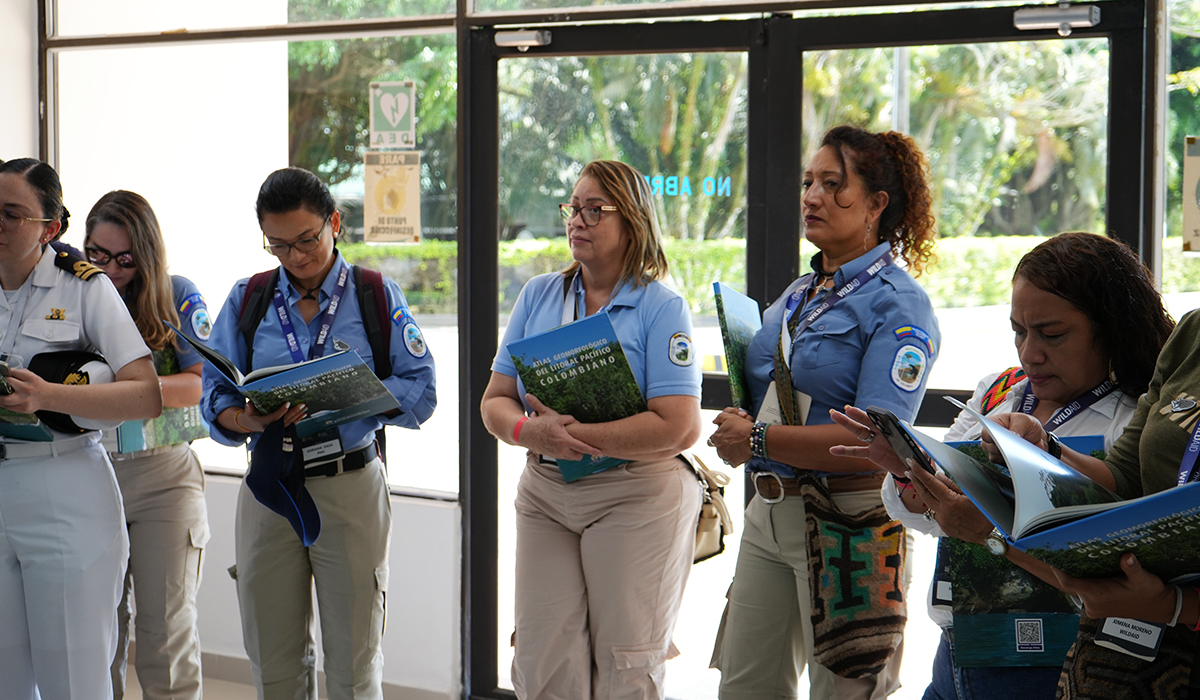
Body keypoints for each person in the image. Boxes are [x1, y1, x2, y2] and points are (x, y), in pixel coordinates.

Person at [842, 231, 1174, 700]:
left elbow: (1115, 568)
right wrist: (907, 471)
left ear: (1110, 327)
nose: (1029, 353)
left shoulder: (1134, 418)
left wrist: (988, 529)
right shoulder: (999, 391)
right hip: (960, 648)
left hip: (1066, 662)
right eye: (1019, 330)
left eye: (1052, 334)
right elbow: (930, 517)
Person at [707, 125, 940, 700]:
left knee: (845, 693)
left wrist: (757, 440)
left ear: (876, 204)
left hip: (853, 522)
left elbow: (871, 441)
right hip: (770, 510)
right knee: (744, 688)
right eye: (808, 182)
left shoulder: (900, 304)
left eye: (833, 184)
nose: (811, 196)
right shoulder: (800, 292)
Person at [200, 167, 436, 698]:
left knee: (354, 667)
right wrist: (246, 419)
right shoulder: (249, 297)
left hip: (349, 484)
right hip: (268, 486)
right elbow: (212, 393)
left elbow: (421, 387)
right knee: (274, 665)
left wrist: (348, 405)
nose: (296, 256)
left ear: (334, 223)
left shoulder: (375, 293)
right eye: (278, 244)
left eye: (307, 239)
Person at [480, 159, 702, 699]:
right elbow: (495, 402)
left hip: (636, 494)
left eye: (594, 210)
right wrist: (527, 434)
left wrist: (572, 435)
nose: (576, 220)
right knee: (542, 661)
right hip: (547, 492)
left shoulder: (662, 307)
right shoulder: (537, 295)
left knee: (626, 667)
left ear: (632, 221)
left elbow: (679, 427)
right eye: (572, 208)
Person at [0, 159, 162, 699]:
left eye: (11, 214)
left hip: (63, 486)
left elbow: (146, 393)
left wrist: (48, 396)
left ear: (50, 228)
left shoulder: (84, 288)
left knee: (73, 678)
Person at [84, 191, 212, 700]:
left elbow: (200, 384)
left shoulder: (176, 294)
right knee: (98, 634)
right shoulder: (71, 293)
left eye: (125, 259)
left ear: (147, 254)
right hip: (90, 471)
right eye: (98, 254)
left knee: (166, 632)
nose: (111, 269)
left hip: (165, 479)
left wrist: (124, 395)